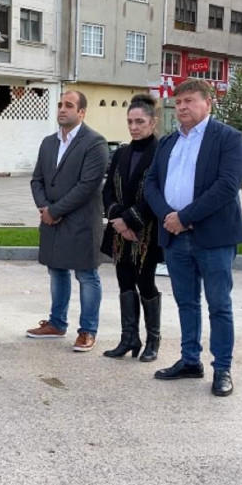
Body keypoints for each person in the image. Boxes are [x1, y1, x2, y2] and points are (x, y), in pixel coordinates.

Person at [144, 78, 242, 397]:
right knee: (186, 302)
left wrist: (185, 217)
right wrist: (168, 217)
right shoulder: (168, 142)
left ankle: (222, 369)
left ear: (208, 103)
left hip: (213, 237)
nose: (182, 106)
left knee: (219, 304)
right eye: (179, 101)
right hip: (175, 238)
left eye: (189, 100)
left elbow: (227, 186)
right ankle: (190, 361)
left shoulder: (228, 138)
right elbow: (151, 184)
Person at [27, 90, 109, 352]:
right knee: (56, 270)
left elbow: (87, 185)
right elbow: (37, 179)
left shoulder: (95, 143)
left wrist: (56, 210)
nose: (62, 109)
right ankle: (56, 323)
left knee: (87, 275)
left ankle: (87, 330)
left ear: (82, 112)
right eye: (60, 104)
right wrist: (44, 208)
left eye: (69, 105)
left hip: (82, 222)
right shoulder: (49, 142)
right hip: (52, 221)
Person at [101, 94, 164, 362]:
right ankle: (129, 338)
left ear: (153, 122)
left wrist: (130, 221)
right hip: (120, 233)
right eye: (130, 121)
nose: (134, 126)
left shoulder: (162, 152)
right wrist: (117, 218)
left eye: (140, 121)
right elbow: (107, 191)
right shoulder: (122, 153)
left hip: (147, 232)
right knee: (124, 282)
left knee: (145, 282)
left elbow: (158, 192)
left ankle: (153, 340)